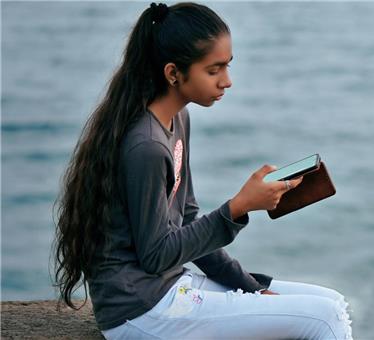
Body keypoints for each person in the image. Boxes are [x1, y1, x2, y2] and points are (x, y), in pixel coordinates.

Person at [51, 2, 353, 339]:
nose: (227, 81)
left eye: (227, 66)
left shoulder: (177, 119)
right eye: (214, 70)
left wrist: (248, 286)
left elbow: (187, 220)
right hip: (140, 310)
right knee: (325, 319)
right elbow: (155, 256)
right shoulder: (146, 147)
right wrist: (237, 208)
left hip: (168, 287)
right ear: (173, 73)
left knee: (332, 301)